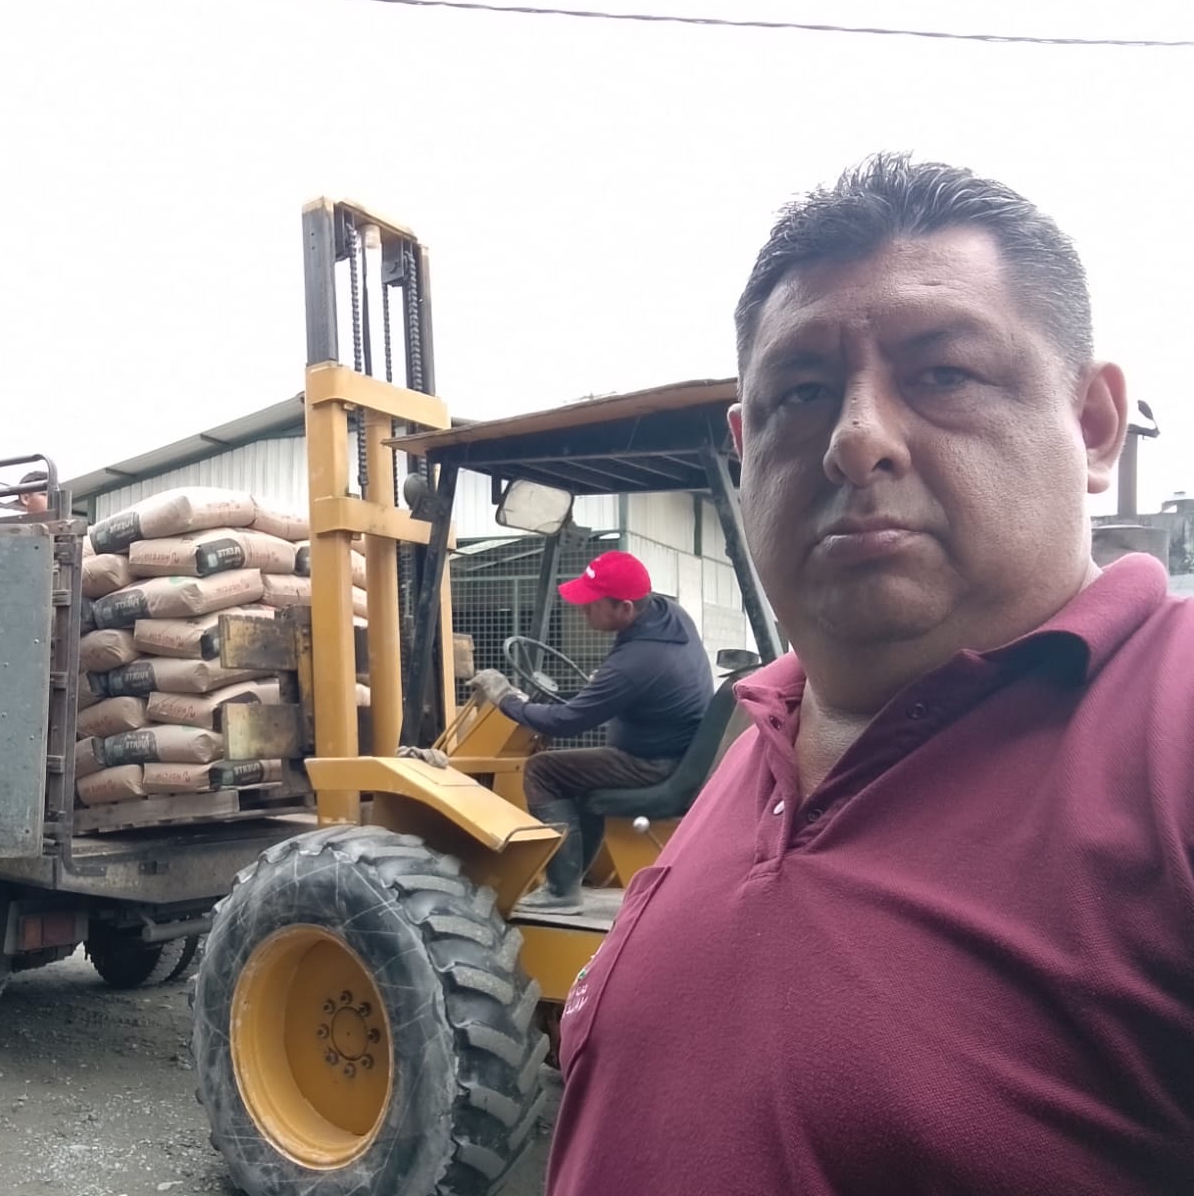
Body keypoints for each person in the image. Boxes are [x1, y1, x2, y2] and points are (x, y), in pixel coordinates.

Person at [545, 153, 1194, 1194]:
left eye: (943, 374)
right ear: (745, 451)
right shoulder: (763, 735)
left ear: (1091, 426)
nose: (855, 438)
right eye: (801, 393)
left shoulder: (1170, 730)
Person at [468, 549, 714, 911]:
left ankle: (561, 890)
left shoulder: (635, 663)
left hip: (654, 765)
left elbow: (567, 722)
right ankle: (576, 874)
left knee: (543, 770)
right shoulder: (668, 616)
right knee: (578, 777)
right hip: (678, 751)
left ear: (625, 608)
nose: (582, 610)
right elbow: (630, 681)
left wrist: (505, 698)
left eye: (592, 604)